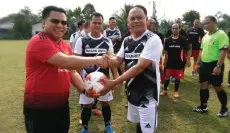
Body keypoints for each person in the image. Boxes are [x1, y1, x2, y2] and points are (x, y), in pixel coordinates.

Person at [24, 6, 105, 133]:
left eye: (64, 22)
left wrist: (84, 90)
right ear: (44, 23)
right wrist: (96, 59)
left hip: (61, 105)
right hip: (39, 107)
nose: (60, 25)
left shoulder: (64, 45)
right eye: (55, 21)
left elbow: (72, 72)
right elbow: (66, 62)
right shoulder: (39, 41)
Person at [101, 5, 163, 133]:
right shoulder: (127, 40)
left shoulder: (153, 39)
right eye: (132, 18)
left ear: (146, 19)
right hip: (132, 92)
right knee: (139, 124)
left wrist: (114, 82)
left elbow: (139, 67)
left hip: (148, 95)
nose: (136, 21)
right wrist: (107, 60)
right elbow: (117, 61)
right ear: (128, 22)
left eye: (139, 17)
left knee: (147, 130)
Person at [74, 12, 117, 133]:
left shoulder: (107, 41)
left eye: (99, 23)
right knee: (87, 104)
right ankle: (85, 128)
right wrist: (78, 83)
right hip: (86, 80)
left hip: (104, 80)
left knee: (105, 103)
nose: (97, 25)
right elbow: (76, 62)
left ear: (102, 24)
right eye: (94, 22)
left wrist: (115, 79)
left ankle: (108, 126)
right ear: (90, 23)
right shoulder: (82, 40)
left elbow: (112, 61)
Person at [192, 16, 229, 117]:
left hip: (215, 64)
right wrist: (197, 64)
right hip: (204, 65)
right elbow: (201, 51)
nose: (205, 26)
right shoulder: (205, 36)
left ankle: (224, 109)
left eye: (207, 23)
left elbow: (223, 51)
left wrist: (218, 66)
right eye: (204, 24)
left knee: (217, 87)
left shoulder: (221, 34)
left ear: (214, 22)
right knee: (203, 85)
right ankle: (203, 107)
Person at [160, 23, 191, 97]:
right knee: (167, 77)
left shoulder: (183, 39)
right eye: (173, 28)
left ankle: (176, 91)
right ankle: (164, 90)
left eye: (176, 28)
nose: (175, 30)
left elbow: (188, 50)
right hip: (169, 62)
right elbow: (166, 51)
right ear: (171, 29)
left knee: (177, 77)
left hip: (179, 62)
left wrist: (188, 59)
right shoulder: (167, 40)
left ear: (179, 29)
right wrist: (165, 60)